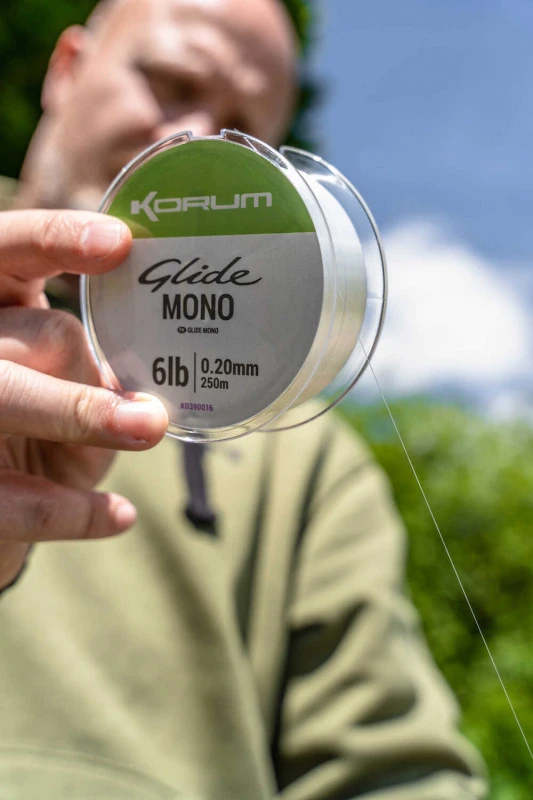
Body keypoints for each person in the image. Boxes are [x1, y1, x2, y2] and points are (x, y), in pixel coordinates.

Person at [0, 1, 488, 798]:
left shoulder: (309, 464)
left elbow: (395, 775)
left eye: (242, 133)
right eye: (172, 81)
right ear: (67, 69)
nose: (194, 139)